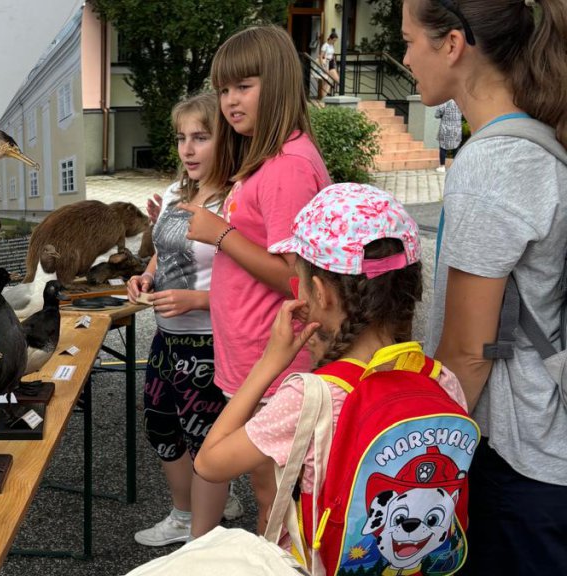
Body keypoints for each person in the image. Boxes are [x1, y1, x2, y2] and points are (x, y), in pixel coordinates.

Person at [193, 183, 468, 558]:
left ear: (320, 293)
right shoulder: (441, 380)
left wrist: (268, 365)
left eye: (299, 283)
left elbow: (210, 463)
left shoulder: (313, 396)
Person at [402, 0, 567, 572]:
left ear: (452, 44)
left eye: (409, 41)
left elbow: (470, 353)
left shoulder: (494, 163)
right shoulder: (542, 140)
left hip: (517, 457)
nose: (404, 58)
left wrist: (421, 452)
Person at [179, 25, 331, 534]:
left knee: (278, 498)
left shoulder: (288, 166)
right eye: (223, 89)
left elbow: (298, 279)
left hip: (276, 363)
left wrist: (222, 235)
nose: (229, 101)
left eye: (243, 85)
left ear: (280, 82)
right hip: (257, 358)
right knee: (271, 490)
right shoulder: (267, 158)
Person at [127, 93, 242, 546]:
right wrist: (146, 276)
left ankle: (197, 534)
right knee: (160, 425)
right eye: (181, 138)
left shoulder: (237, 199)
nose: (187, 150)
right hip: (166, 336)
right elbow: (163, 250)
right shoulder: (178, 192)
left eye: (201, 137)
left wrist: (196, 300)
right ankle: (188, 513)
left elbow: (255, 285)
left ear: (226, 139)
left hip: (211, 342)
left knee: (205, 442)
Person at [434, 99, 462, 173]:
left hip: (446, 129)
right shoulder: (460, 101)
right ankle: (455, 166)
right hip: (457, 129)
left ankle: (442, 166)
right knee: (456, 148)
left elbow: (437, 114)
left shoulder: (444, 102)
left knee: (443, 147)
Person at [319, 31, 339, 95]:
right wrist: (323, 66)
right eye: (334, 40)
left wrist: (334, 62)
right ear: (330, 38)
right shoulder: (325, 46)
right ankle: (323, 97)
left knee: (336, 79)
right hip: (326, 63)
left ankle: (325, 95)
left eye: (335, 40)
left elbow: (332, 55)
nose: (334, 42)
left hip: (331, 63)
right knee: (326, 81)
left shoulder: (332, 45)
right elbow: (320, 57)